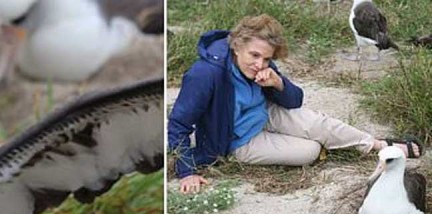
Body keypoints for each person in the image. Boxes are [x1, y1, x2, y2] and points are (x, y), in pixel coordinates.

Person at [167, 14, 421, 194]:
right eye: (254, 55)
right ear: (236, 46)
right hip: (236, 140)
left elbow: (294, 101)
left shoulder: (263, 64)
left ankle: (379, 145)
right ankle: (330, 146)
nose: (259, 64)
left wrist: (277, 83)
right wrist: (186, 171)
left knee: (318, 123)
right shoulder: (205, 74)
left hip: (265, 113)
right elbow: (179, 122)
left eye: (266, 59)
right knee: (309, 151)